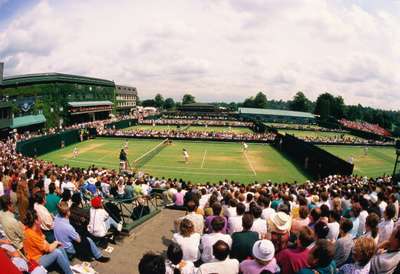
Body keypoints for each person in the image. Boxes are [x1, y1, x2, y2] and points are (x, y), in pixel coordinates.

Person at [23, 210, 74, 274]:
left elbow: (44, 239)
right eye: (39, 217)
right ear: (36, 221)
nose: (41, 218)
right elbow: (48, 249)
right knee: (57, 252)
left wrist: (53, 244)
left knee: (59, 246)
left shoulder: (35, 228)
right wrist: (56, 242)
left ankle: (68, 267)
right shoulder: (31, 234)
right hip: (36, 260)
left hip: (41, 253)